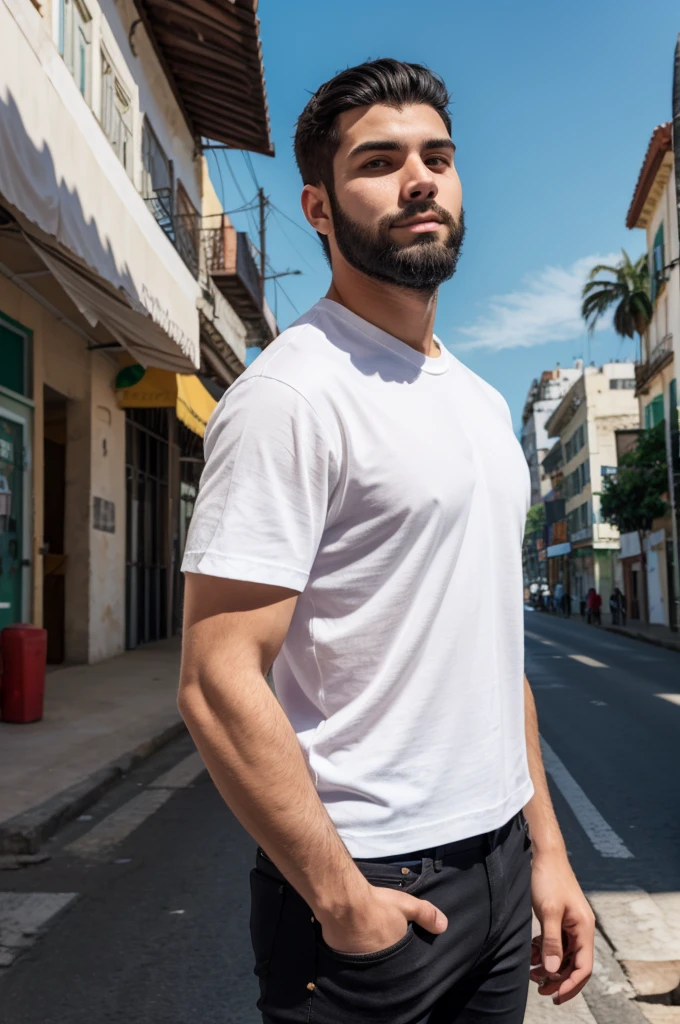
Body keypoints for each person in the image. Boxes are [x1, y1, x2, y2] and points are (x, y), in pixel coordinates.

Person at [178, 60, 594, 1024]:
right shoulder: (291, 396)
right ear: (319, 208)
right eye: (381, 161)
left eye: (437, 157)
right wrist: (341, 900)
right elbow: (216, 677)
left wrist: (549, 853)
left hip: (498, 870)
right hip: (366, 881)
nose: (420, 179)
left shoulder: (483, 403)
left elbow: (496, 655)